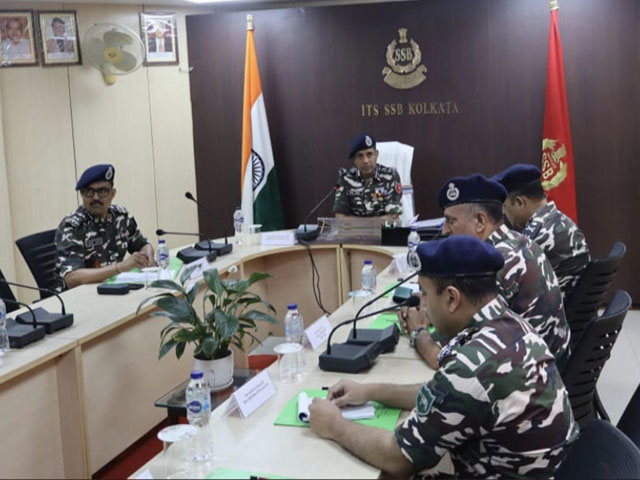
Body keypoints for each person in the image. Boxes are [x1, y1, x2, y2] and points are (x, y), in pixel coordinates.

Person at [309, 236, 579, 479]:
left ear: (451, 298)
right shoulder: (509, 323)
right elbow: (443, 392)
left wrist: (335, 425)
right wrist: (370, 391)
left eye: (425, 294)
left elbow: (397, 457)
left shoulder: (472, 365)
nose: (422, 305)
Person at [403, 174, 569, 368]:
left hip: (531, 373)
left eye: (451, 221)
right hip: (546, 365)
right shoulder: (518, 241)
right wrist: (431, 300)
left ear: (480, 221)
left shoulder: (495, 266)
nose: (444, 230)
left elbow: (449, 359)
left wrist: (418, 332)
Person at [493, 163, 590, 301]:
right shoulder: (561, 220)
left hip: (555, 310)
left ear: (520, 203)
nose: (503, 212)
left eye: (505, 206)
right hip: (571, 306)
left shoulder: (535, 238)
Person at [54, 164, 155, 290]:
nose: (95, 197)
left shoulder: (120, 217)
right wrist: (119, 267)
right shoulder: (73, 226)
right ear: (82, 194)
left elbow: (143, 245)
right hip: (79, 295)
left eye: (102, 191)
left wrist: (149, 258)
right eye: (89, 192)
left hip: (112, 288)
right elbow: (71, 279)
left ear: (112, 193)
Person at [333, 133, 402, 220]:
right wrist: (371, 222)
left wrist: (359, 222)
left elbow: (393, 217)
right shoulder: (345, 178)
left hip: (383, 229)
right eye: (360, 156)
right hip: (354, 230)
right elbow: (340, 217)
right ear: (354, 160)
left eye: (369, 155)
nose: (365, 161)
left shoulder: (390, 176)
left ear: (376, 155)